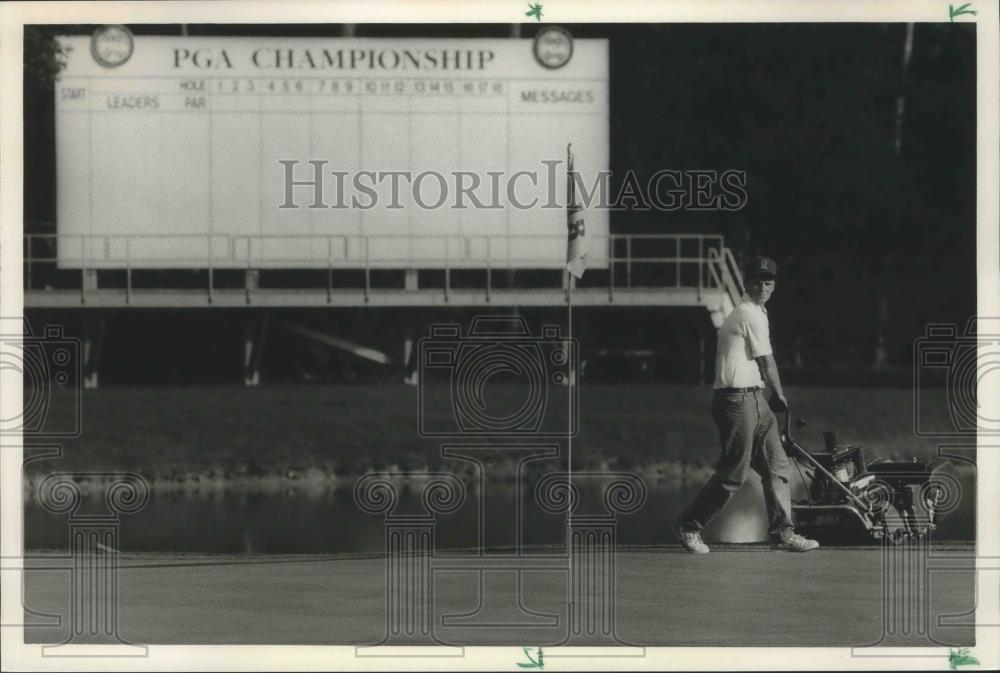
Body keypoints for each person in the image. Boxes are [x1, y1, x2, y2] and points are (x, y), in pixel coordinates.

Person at [675, 256, 819, 553]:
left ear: (774, 284)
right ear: (746, 283)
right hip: (735, 400)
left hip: (754, 398)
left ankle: (785, 533)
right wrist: (779, 395)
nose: (763, 286)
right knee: (734, 473)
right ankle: (688, 526)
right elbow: (768, 362)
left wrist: (768, 398)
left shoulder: (757, 311)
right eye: (757, 281)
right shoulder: (747, 313)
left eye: (768, 281)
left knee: (777, 466)